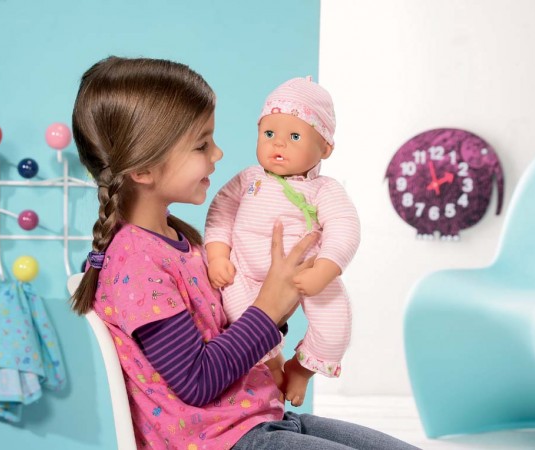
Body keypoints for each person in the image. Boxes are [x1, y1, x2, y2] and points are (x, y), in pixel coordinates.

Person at [70, 56, 419, 450]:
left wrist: (277, 311)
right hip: (222, 440)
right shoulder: (137, 263)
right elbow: (196, 381)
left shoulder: (181, 241)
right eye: (202, 144)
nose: (218, 154)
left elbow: (228, 329)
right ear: (143, 170)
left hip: (260, 420)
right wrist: (268, 309)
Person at [205, 76, 359, 407]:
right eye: (269, 134)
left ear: (325, 148)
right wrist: (218, 255)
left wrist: (325, 269)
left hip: (309, 271)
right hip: (245, 271)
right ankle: (273, 363)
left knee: (336, 326)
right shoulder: (249, 179)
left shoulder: (324, 190)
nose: (279, 144)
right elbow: (221, 213)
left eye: (294, 136)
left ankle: (302, 369)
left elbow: (344, 227)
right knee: (237, 312)